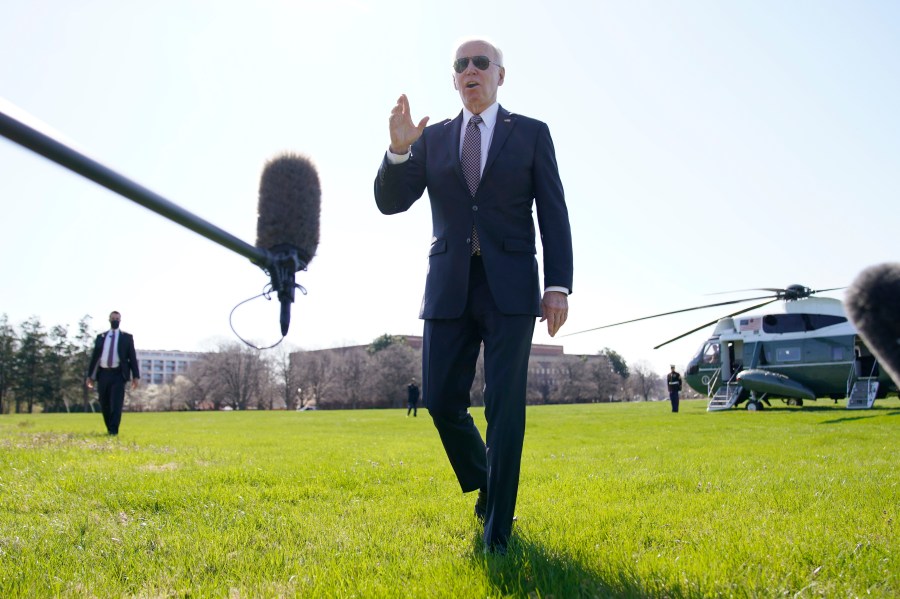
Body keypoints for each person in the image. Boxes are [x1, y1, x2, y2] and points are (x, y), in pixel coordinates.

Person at [374, 38, 573, 553]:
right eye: (460, 65)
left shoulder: (529, 133)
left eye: (480, 63)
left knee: (505, 409)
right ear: (454, 79)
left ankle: (497, 533)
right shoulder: (433, 138)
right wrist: (398, 152)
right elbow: (391, 203)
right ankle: (489, 483)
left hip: (509, 287)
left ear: (500, 76)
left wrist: (557, 286)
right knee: (441, 401)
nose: (470, 70)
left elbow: (554, 213)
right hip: (449, 284)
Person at [85, 311, 140, 435]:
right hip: (103, 374)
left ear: (120, 320)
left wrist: (135, 376)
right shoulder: (101, 337)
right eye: (113, 318)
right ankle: (109, 427)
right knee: (104, 403)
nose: (115, 320)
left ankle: (113, 431)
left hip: (118, 375)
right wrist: (90, 376)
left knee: (116, 403)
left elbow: (132, 357)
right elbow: (94, 357)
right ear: (109, 319)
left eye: (117, 318)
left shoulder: (126, 337)